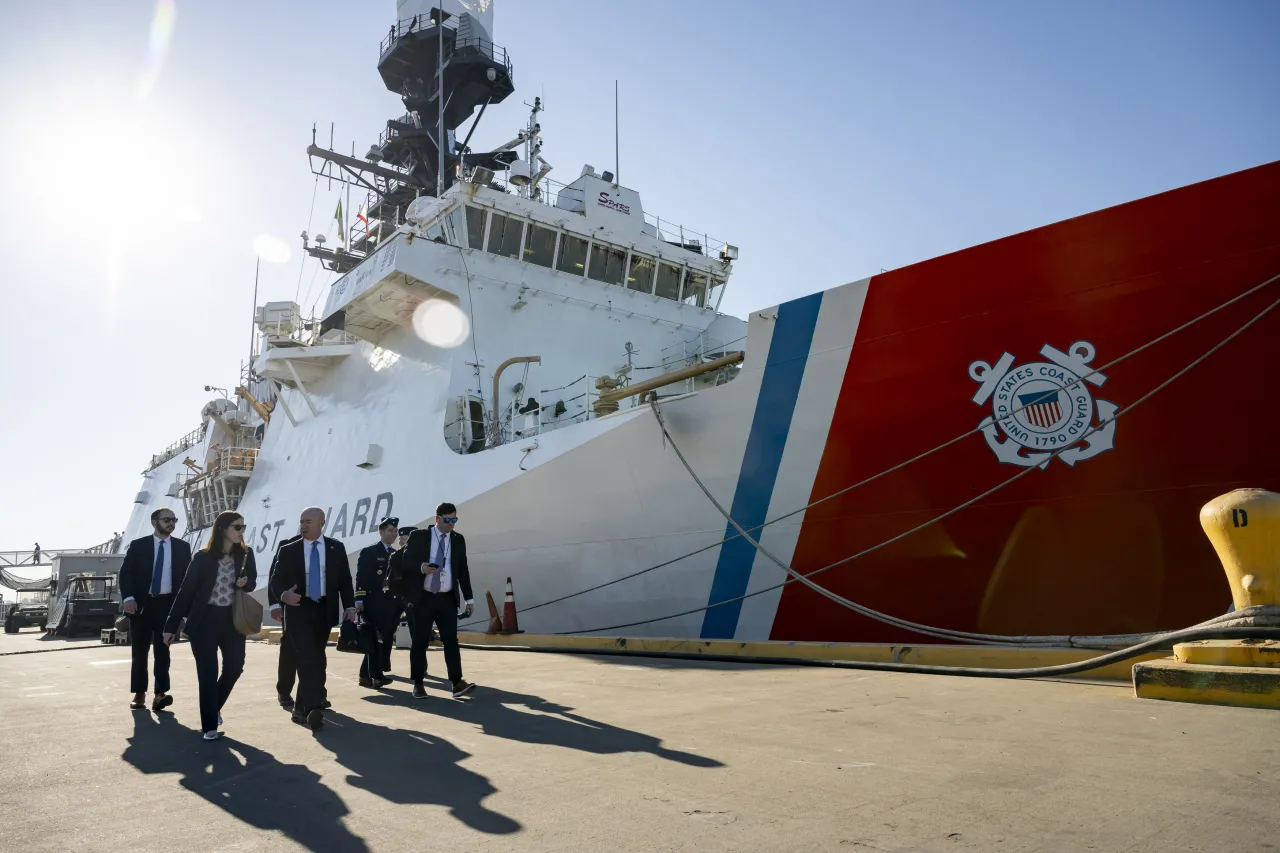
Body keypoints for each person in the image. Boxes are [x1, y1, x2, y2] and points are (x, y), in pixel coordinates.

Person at [163, 510, 256, 741]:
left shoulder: (245, 554)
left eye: (243, 527)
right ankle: (209, 725)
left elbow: (252, 582)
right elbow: (185, 593)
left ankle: (213, 707)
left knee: (235, 667)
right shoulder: (202, 557)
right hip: (204, 621)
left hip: (232, 620)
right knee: (207, 673)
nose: (241, 531)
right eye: (237, 527)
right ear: (223, 528)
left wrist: (246, 582)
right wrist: (170, 626)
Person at [270, 506, 356, 731]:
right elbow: (275, 579)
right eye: (301, 521)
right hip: (298, 608)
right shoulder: (288, 550)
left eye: (308, 521)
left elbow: (345, 580)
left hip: (324, 609)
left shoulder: (336, 548)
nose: (303, 525)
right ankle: (308, 708)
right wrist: (283, 595)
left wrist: (349, 606)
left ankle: (305, 706)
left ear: (321, 523)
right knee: (306, 656)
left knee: (317, 657)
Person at [397, 502, 476, 699]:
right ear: (437, 518)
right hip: (423, 598)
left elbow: (463, 570)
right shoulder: (420, 536)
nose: (451, 524)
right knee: (420, 641)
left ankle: (457, 683)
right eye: (447, 519)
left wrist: (469, 598)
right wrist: (421, 568)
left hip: (447, 598)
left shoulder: (458, 540)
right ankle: (418, 683)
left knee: (451, 641)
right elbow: (404, 562)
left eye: (454, 520)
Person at [119, 508, 192, 711]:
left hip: (167, 604)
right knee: (140, 651)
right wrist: (129, 598)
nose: (171, 523)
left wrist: (186, 609)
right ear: (154, 522)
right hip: (142, 605)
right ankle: (139, 693)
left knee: (163, 650)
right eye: (167, 519)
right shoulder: (138, 546)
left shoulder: (182, 547)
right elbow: (126, 574)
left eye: (174, 520)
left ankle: (160, 693)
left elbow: (188, 580)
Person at [354, 517, 399, 688]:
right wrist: (359, 599)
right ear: (381, 532)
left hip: (389, 603)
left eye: (395, 531)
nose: (394, 534)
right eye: (390, 531)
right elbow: (361, 578)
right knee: (373, 638)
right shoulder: (370, 552)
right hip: (371, 602)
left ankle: (365, 675)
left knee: (383, 638)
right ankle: (375, 675)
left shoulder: (395, 554)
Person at [267, 527, 303, 710]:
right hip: (291, 607)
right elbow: (274, 578)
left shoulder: (327, 547)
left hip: (317, 608)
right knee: (289, 650)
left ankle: (316, 693)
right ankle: (284, 690)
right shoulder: (287, 546)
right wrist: (274, 604)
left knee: (316, 653)